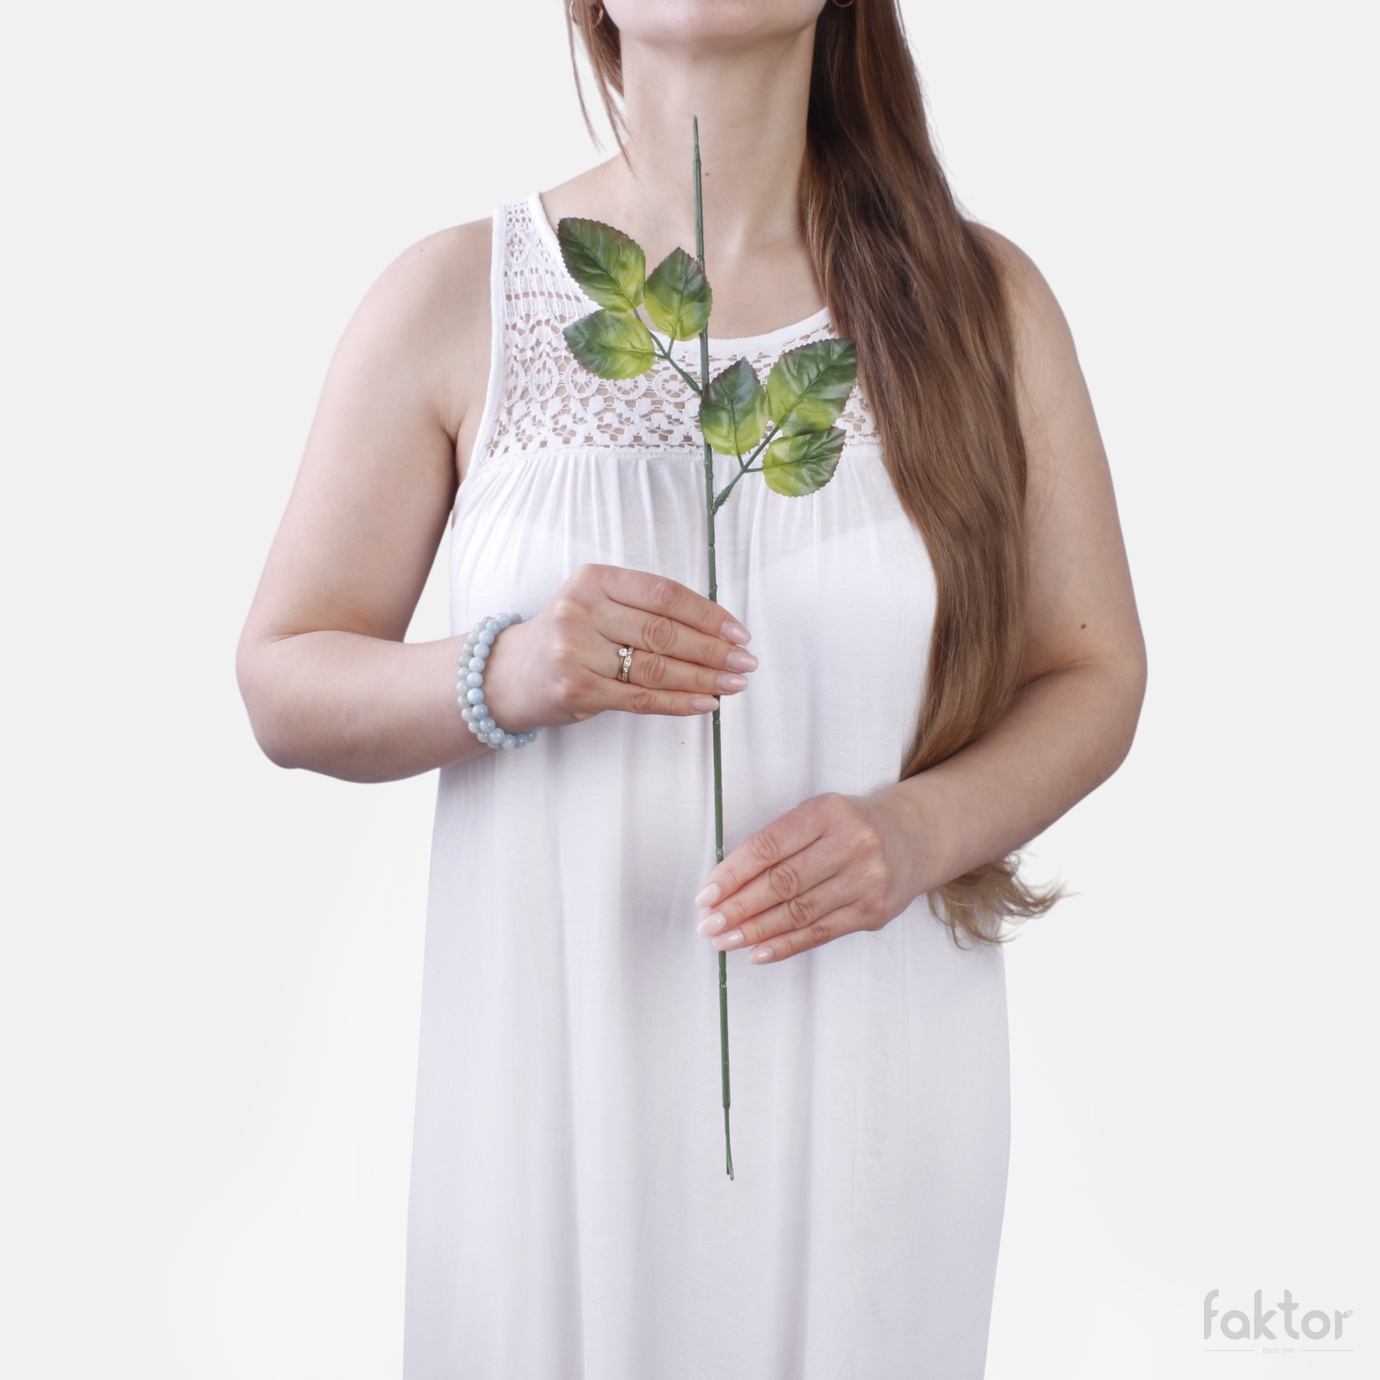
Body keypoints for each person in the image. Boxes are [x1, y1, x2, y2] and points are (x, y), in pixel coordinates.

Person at [236, 0, 1146, 1374]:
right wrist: (508, 669)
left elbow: (1094, 670)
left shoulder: (978, 300)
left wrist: (918, 833)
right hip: (551, 1087)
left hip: (872, 1084)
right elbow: (283, 677)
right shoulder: (457, 296)